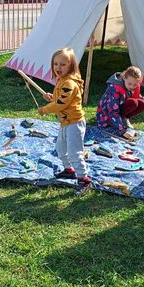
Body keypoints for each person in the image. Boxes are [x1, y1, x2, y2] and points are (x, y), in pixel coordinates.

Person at [37, 48, 91, 195]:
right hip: (65, 122)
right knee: (61, 149)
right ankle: (69, 170)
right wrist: (52, 97)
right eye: (55, 64)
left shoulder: (70, 83)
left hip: (74, 123)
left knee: (75, 153)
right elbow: (60, 98)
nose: (58, 68)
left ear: (71, 66)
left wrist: (45, 109)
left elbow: (61, 104)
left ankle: (84, 179)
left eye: (62, 64)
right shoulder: (62, 80)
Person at [95, 66, 144, 139]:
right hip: (106, 114)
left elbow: (136, 95)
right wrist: (122, 131)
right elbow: (112, 111)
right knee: (133, 103)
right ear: (124, 78)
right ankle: (112, 122)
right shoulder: (115, 88)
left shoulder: (132, 84)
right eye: (129, 84)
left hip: (120, 108)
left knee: (143, 104)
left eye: (135, 85)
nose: (132, 87)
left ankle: (123, 119)